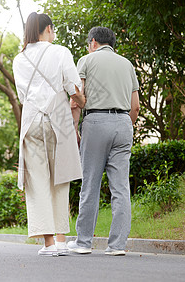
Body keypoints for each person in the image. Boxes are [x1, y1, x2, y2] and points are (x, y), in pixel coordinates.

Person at [13, 12, 86, 256]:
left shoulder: (19, 58)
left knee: (38, 181)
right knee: (61, 176)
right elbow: (73, 87)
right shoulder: (60, 51)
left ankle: (49, 244)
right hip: (58, 117)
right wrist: (81, 101)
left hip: (31, 119)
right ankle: (63, 240)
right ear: (49, 29)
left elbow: (23, 96)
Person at [67, 26, 140, 256]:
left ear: (93, 42)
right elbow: (135, 106)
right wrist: (124, 125)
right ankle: (117, 245)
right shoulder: (127, 64)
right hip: (123, 123)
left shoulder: (86, 61)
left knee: (90, 184)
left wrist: (75, 129)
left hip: (96, 122)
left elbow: (77, 99)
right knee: (121, 188)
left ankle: (84, 242)